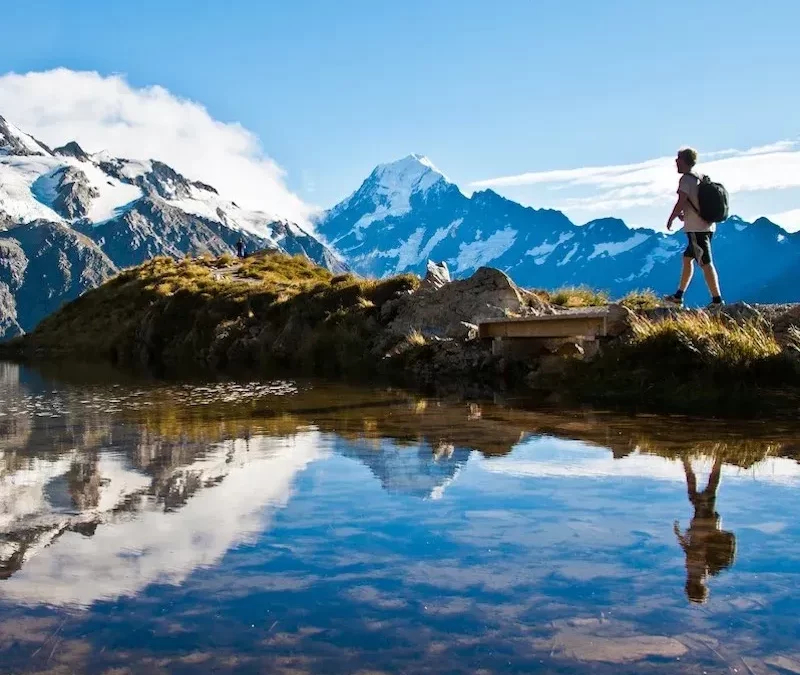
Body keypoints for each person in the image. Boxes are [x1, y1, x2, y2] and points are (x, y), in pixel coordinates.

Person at [664, 148, 724, 307]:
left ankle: (717, 300)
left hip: (696, 229)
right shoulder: (700, 177)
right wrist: (685, 214)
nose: (676, 162)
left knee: (705, 262)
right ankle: (678, 296)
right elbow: (695, 201)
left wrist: (672, 218)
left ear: (683, 161)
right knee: (687, 258)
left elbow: (681, 200)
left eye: (678, 159)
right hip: (707, 225)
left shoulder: (685, 180)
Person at [673, 455, 736, 603]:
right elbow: (695, 552)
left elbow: (691, 551)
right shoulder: (698, 573)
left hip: (707, 524)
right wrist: (682, 536)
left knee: (707, 491)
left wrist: (682, 536)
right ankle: (695, 460)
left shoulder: (703, 573)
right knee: (704, 492)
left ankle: (714, 461)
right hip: (703, 524)